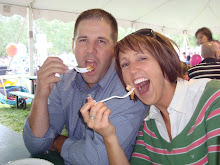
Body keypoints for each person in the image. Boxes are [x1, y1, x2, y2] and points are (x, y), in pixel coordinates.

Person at [23, 9, 148, 164]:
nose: (90, 50)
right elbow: (35, 144)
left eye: (101, 41)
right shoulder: (65, 82)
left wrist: (57, 142)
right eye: (83, 40)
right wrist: (41, 95)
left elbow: (95, 160)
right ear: (73, 44)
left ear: (115, 50)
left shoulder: (128, 90)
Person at [80, 29, 220, 164]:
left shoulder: (213, 98)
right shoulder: (149, 124)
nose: (132, 70)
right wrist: (109, 136)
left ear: (164, 60)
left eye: (141, 58)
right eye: (125, 64)